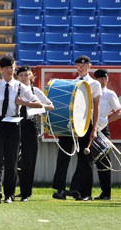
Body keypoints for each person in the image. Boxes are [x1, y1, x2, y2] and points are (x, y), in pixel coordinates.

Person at [0, 56, 42, 204]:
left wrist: (23, 102)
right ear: (1, 69)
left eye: (12, 67)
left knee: (12, 160)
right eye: (7, 67)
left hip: (14, 124)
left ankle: (9, 194)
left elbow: (38, 104)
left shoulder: (22, 87)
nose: (10, 70)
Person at [52, 55, 101, 201]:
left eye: (83, 66)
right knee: (63, 157)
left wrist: (95, 128)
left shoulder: (94, 84)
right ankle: (60, 189)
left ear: (89, 66)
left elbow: (96, 108)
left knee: (85, 159)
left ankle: (84, 192)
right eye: (78, 65)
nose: (80, 68)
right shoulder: (72, 83)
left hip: (85, 124)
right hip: (70, 124)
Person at [15, 65, 54, 202]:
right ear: (17, 77)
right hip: (15, 125)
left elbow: (50, 105)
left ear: (31, 76)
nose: (24, 78)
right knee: (16, 159)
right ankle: (19, 189)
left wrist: (36, 107)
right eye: (21, 75)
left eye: (27, 75)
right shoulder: (14, 89)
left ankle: (26, 192)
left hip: (30, 126)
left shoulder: (35, 91)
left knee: (29, 160)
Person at [93, 69, 121, 200]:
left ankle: (106, 193)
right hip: (89, 126)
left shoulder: (110, 94)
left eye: (106, 78)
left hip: (103, 127)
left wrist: (106, 120)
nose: (104, 81)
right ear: (96, 80)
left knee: (104, 160)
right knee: (86, 158)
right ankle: (82, 191)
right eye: (101, 79)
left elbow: (119, 112)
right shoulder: (91, 92)